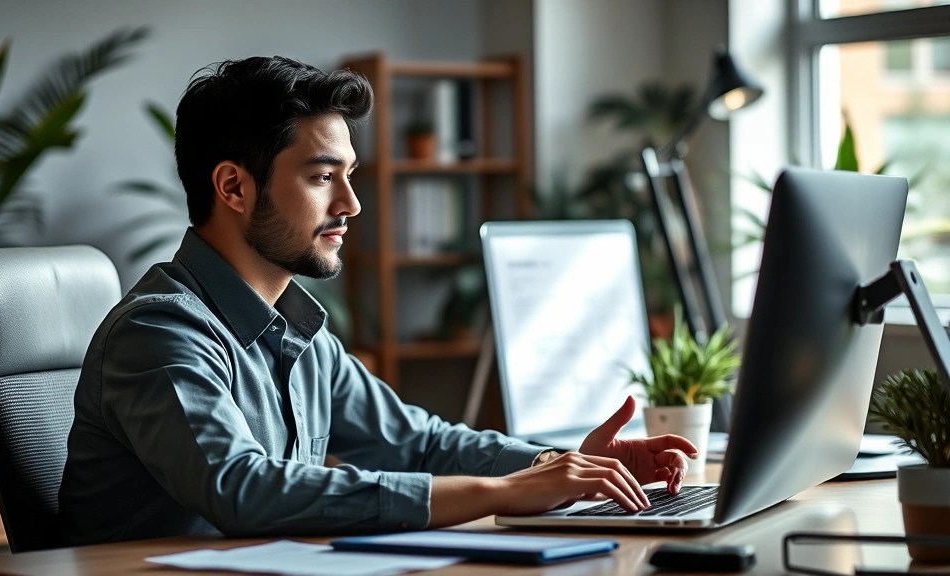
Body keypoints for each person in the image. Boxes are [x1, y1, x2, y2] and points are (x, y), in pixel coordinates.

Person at [58, 56, 698, 545]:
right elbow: (242, 489)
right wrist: (500, 491)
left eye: (349, 176)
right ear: (233, 186)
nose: (350, 205)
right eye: (320, 177)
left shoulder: (300, 332)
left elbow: (417, 443)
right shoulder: (160, 332)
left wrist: (559, 464)